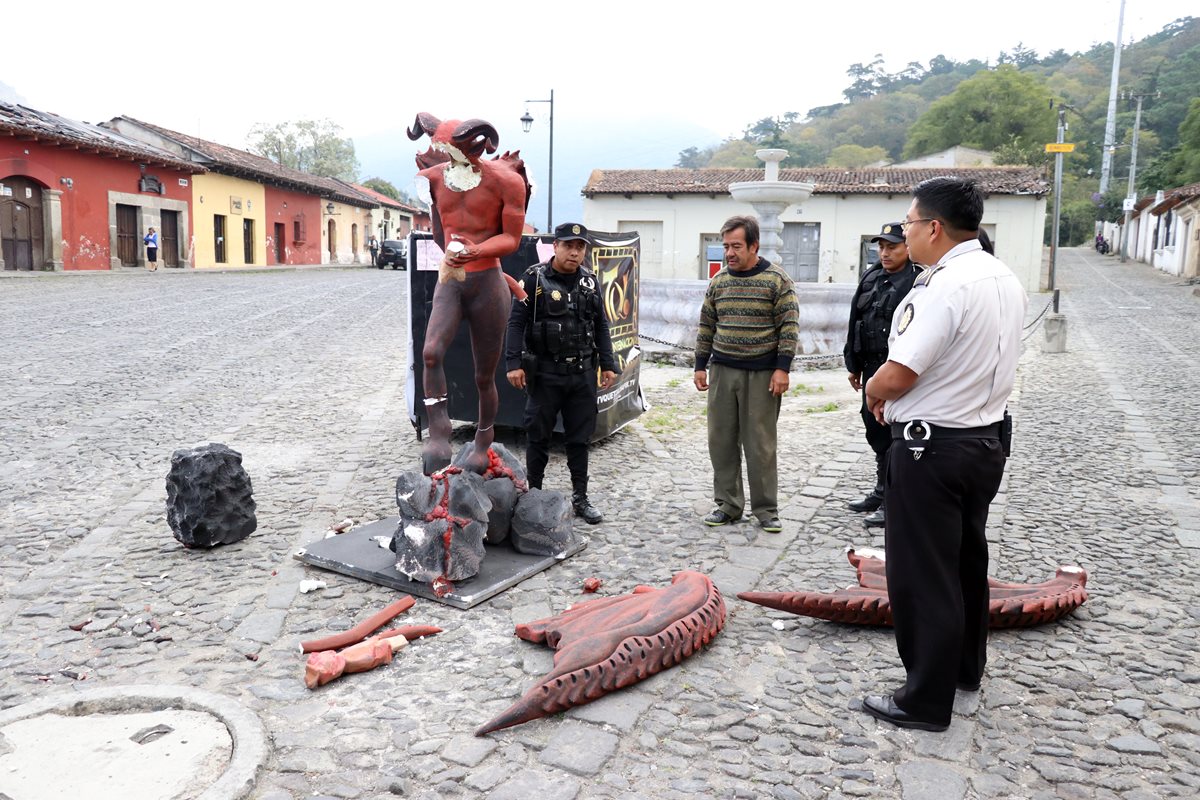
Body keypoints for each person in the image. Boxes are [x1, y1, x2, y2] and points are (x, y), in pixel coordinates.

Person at [862, 177, 1027, 732]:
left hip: (932, 448)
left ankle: (923, 699)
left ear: (934, 227)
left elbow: (903, 368)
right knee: (964, 562)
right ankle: (963, 668)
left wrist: (874, 391)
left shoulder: (945, 285)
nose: (905, 234)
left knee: (922, 573)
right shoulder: (1002, 276)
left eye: (908, 224)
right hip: (985, 439)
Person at [406, 113, 529, 475]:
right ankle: (439, 428)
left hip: (487, 280)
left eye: (450, 151)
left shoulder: (505, 181)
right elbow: (441, 233)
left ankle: (482, 438)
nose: (444, 159)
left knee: (483, 375)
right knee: (431, 353)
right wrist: (455, 249)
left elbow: (511, 239)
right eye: (439, 151)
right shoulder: (434, 180)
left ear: (474, 148)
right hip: (453, 277)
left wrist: (477, 250)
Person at [505, 223, 618, 524]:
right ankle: (533, 495)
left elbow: (601, 325)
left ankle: (580, 497)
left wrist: (609, 363)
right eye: (569, 245)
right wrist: (513, 363)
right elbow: (516, 322)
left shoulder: (590, 283)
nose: (575, 252)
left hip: (581, 374)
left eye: (580, 247)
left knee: (579, 439)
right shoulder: (534, 278)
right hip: (545, 373)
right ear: (555, 246)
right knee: (538, 436)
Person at [693, 215, 798, 534]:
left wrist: (782, 368)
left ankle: (766, 509)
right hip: (723, 371)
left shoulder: (777, 280)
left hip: (762, 373)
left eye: (736, 246)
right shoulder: (719, 281)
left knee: (760, 444)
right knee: (721, 440)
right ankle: (728, 504)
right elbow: (707, 324)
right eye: (726, 246)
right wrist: (700, 364)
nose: (729, 253)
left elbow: (789, 326)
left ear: (754, 245)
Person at [844, 223, 921, 529]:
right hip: (871, 366)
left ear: (906, 247)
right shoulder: (872, 275)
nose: (886, 253)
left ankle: (895, 500)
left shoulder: (916, 279)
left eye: (893, 247)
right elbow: (856, 320)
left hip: (896, 368)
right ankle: (880, 491)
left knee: (895, 434)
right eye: (882, 247)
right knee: (875, 432)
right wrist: (854, 363)